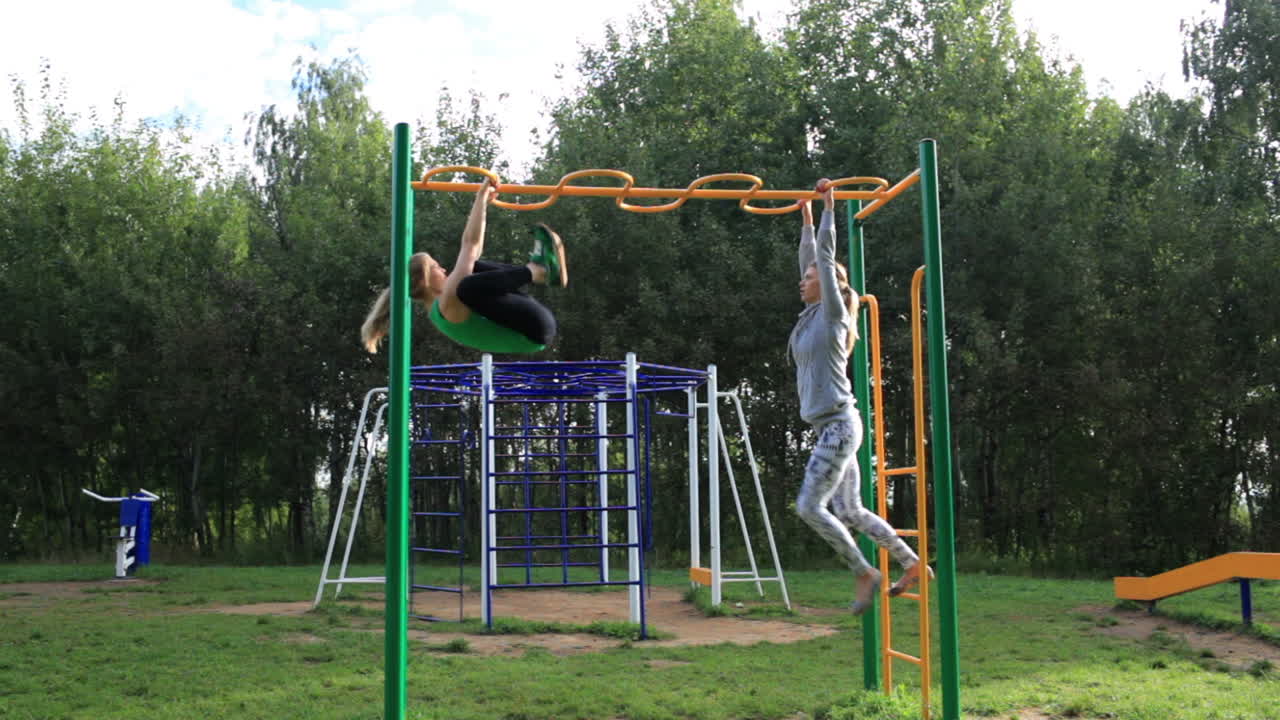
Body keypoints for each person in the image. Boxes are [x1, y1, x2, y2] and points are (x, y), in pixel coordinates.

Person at [789, 180, 930, 615]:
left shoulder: (833, 315)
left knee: (810, 506)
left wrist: (830, 209)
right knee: (849, 509)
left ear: (828, 284)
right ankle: (912, 565)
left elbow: (825, 260)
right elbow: (812, 257)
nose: (804, 280)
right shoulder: (810, 316)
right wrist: (808, 221)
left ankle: (864, 571)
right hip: (832, 426)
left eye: (811, 278)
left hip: (837, 424)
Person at [361, 179, 568, 354]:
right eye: (435, 267)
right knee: (466, 285)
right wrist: (479, 198)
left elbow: (473, 249)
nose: (443, 270)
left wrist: (483, 202)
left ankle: (542, 270)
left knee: (474, 267)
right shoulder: (445, 303)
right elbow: (469, 245)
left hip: (529, 321)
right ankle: (538, 270)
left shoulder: (440, 309)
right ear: (422, 281)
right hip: (534, 329)